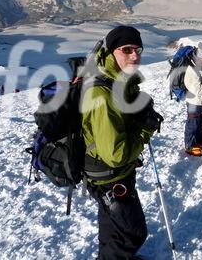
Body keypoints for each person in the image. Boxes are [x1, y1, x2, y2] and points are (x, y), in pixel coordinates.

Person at [81, 25, 161, 259]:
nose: (135, 55)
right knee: (132, 234)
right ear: (111, 53)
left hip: (103, 172)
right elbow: (116, 155)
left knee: (113, 227)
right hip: (111, 175)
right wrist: (145, 128)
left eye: (138, 49)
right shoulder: (102, 94)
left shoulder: (117, 81)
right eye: (127, 49)